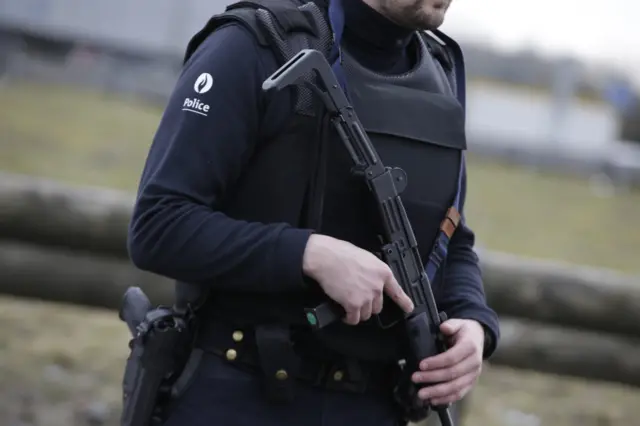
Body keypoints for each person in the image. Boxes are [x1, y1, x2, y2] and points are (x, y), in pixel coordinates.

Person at [127, 0, 500, 425]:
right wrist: (308, 254)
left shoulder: (441, 72)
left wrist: (474, 322)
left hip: (375, 406)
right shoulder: (255, 44)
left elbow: (450, 238)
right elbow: (158, 224)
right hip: (238, 394)